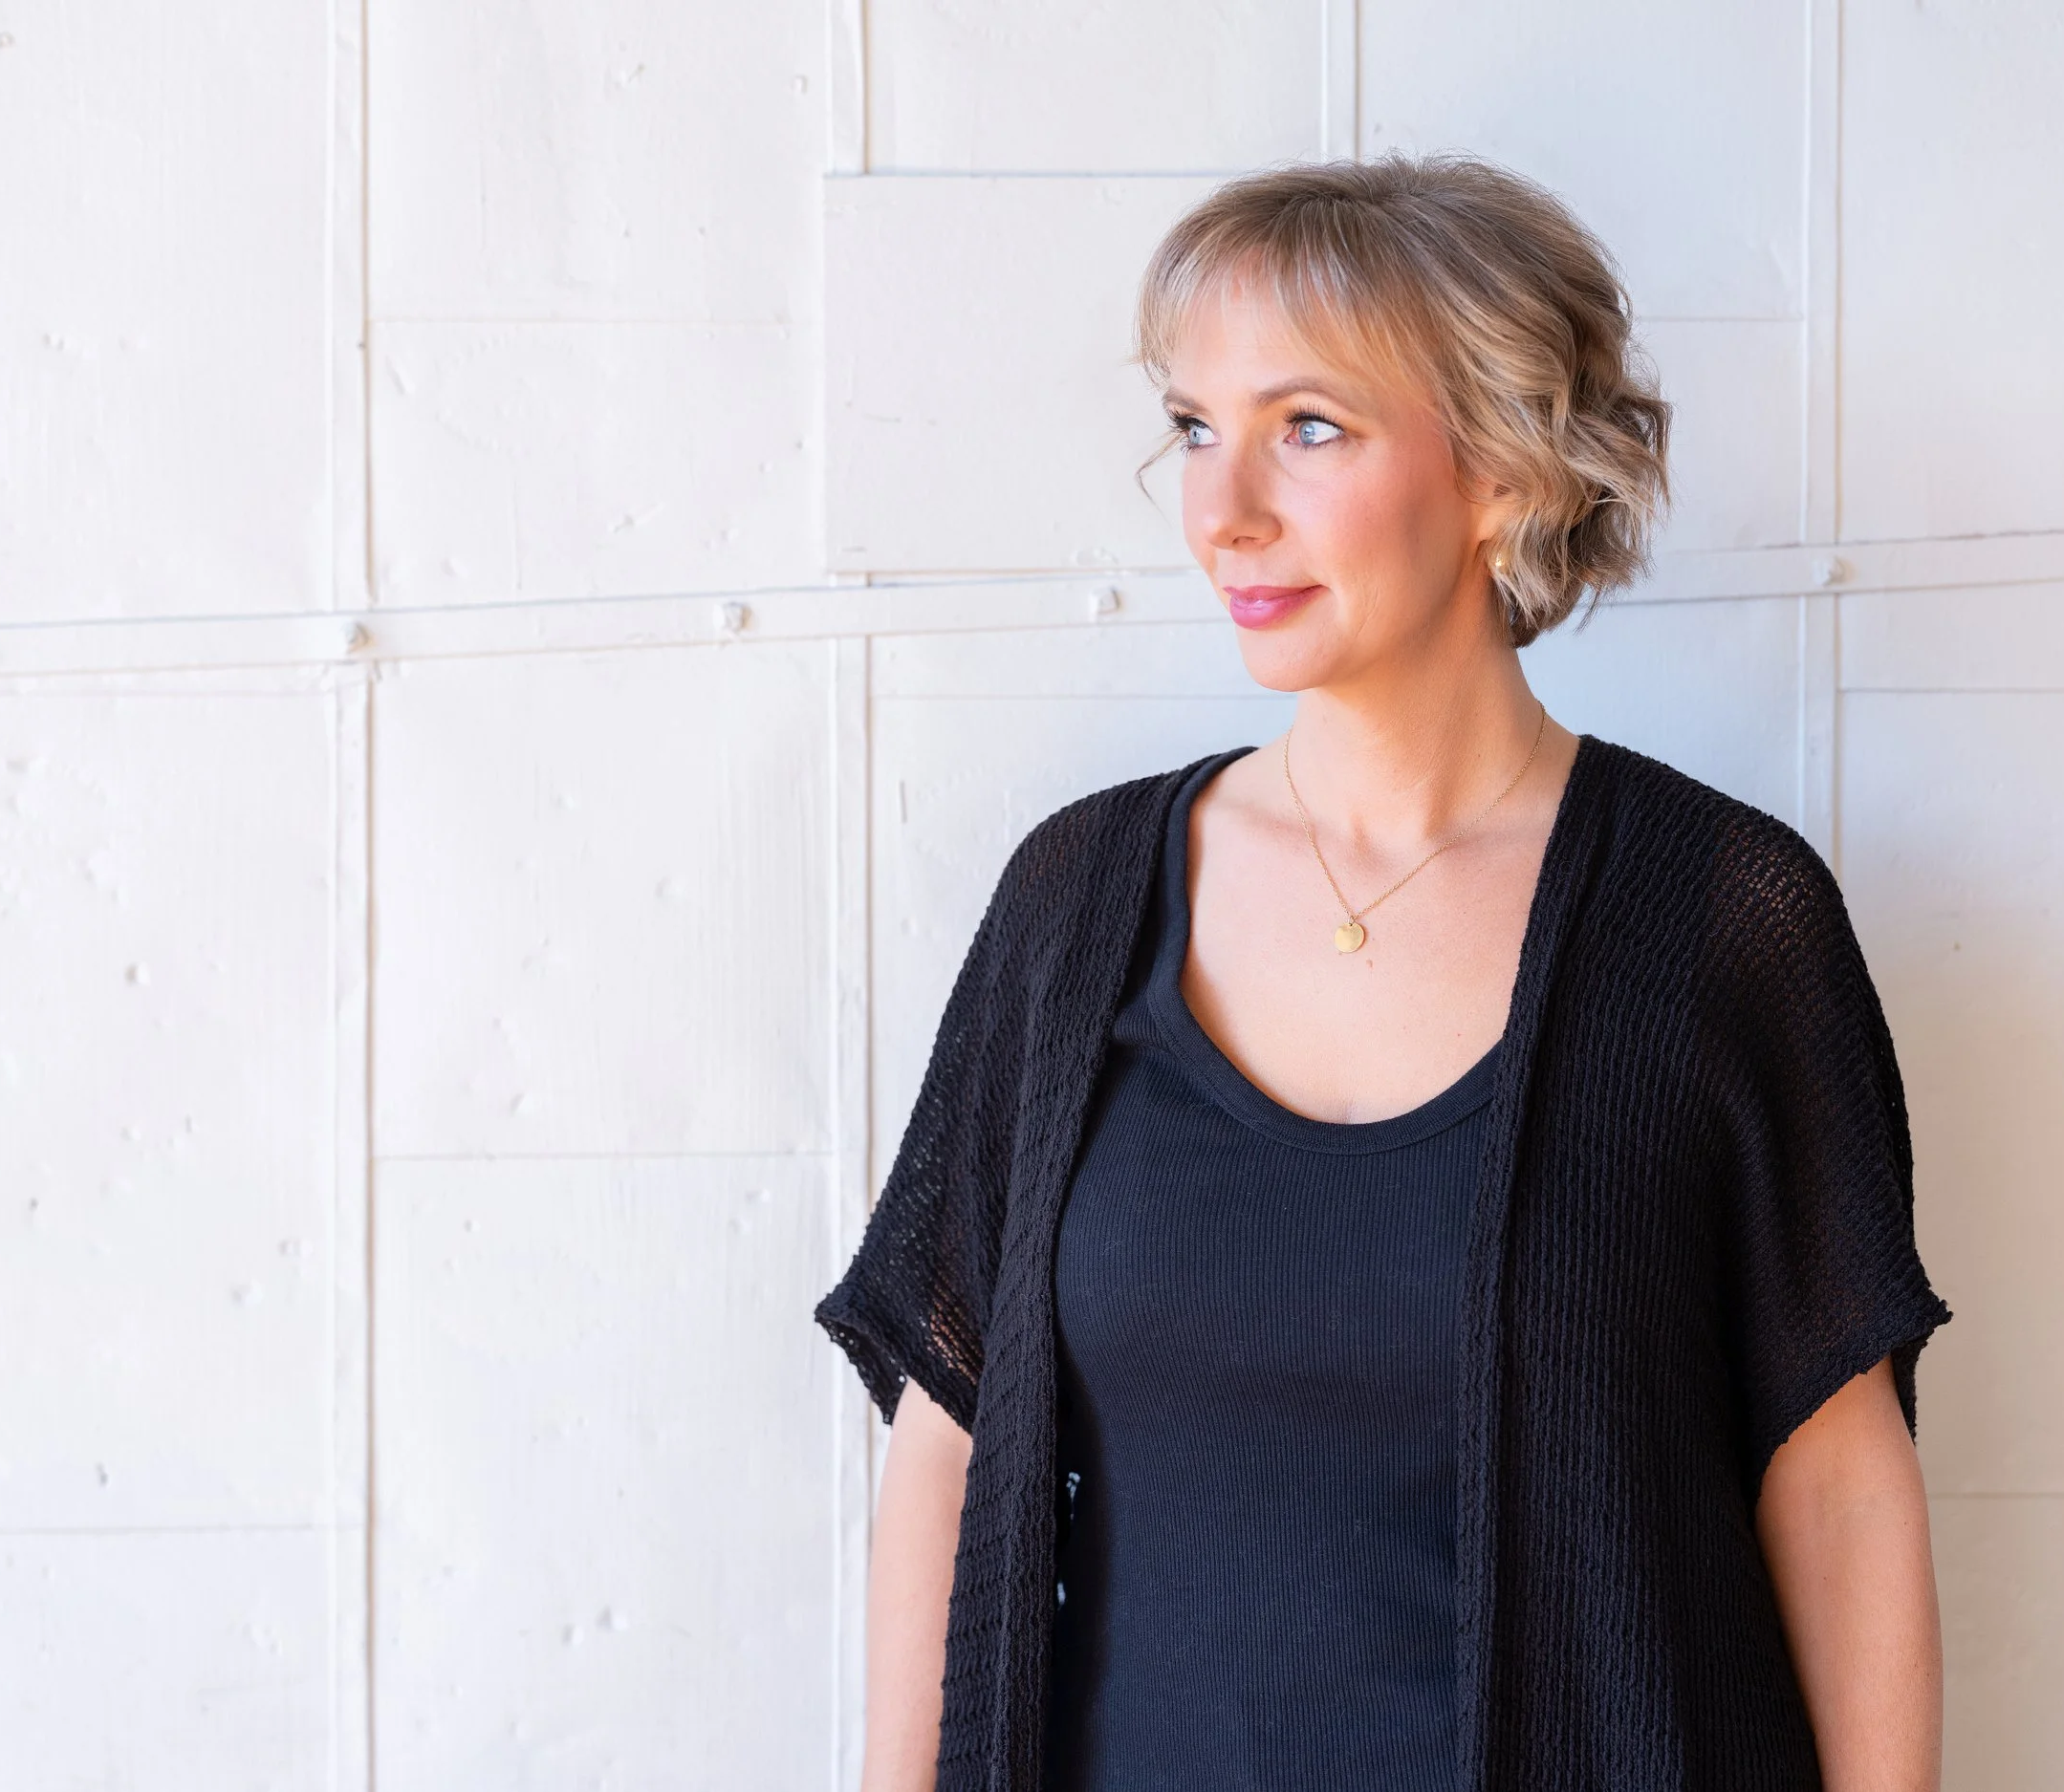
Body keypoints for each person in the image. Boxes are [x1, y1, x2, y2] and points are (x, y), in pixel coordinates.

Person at [816, 154, 1949, 1792]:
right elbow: (949, 1433)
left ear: (1505, 467)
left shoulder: (1719, 918)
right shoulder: (1076, 907)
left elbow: (1838, 1484)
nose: (1223, 509)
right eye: (1195, 426)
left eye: (1309, 428)